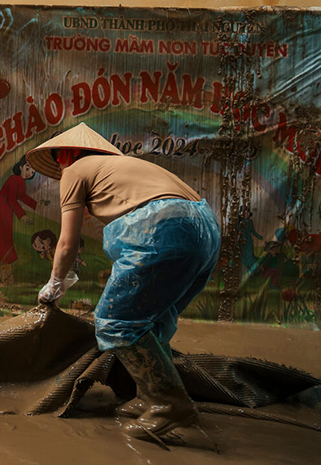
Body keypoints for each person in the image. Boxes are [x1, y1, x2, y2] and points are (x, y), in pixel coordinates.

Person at [26, 123, 220, 443]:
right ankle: (149, 395)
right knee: (152, 321)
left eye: (60, 159)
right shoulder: (130, 168)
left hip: (164, 225)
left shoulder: (75, 170)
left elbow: (67, 243)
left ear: (68, 154)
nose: (61, 167)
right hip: (206, 229)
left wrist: (56, 283)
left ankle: (171, 409)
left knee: (115, 321)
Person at [0, 155, 41, 289]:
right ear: (21, 166)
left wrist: (36, 204)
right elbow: (12, 200)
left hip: (5, 213)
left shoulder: (19, 181)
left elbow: (21, 196)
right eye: (27, 168)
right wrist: (22, 216)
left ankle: (0, 277)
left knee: (3, 243)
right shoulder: (14, 179)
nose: (29, 173)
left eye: (32, 172)